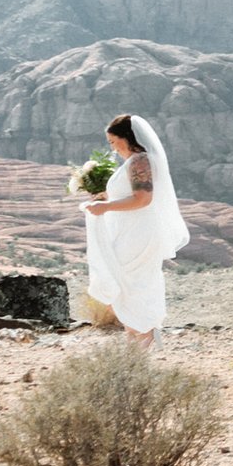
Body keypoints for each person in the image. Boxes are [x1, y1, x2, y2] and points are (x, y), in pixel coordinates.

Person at [80, 113, 191, 342]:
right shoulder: (133, 162)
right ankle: (136, 341)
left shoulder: (140, 161)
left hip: (139, 233)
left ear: (127, 137)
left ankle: (146, 335)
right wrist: (103, 198)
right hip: (129, 231)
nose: (111, 148)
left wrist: (107, 206)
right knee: (126, 283)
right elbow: (128, 194)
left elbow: (142, 199)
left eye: (113, 141)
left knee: (131, 282)